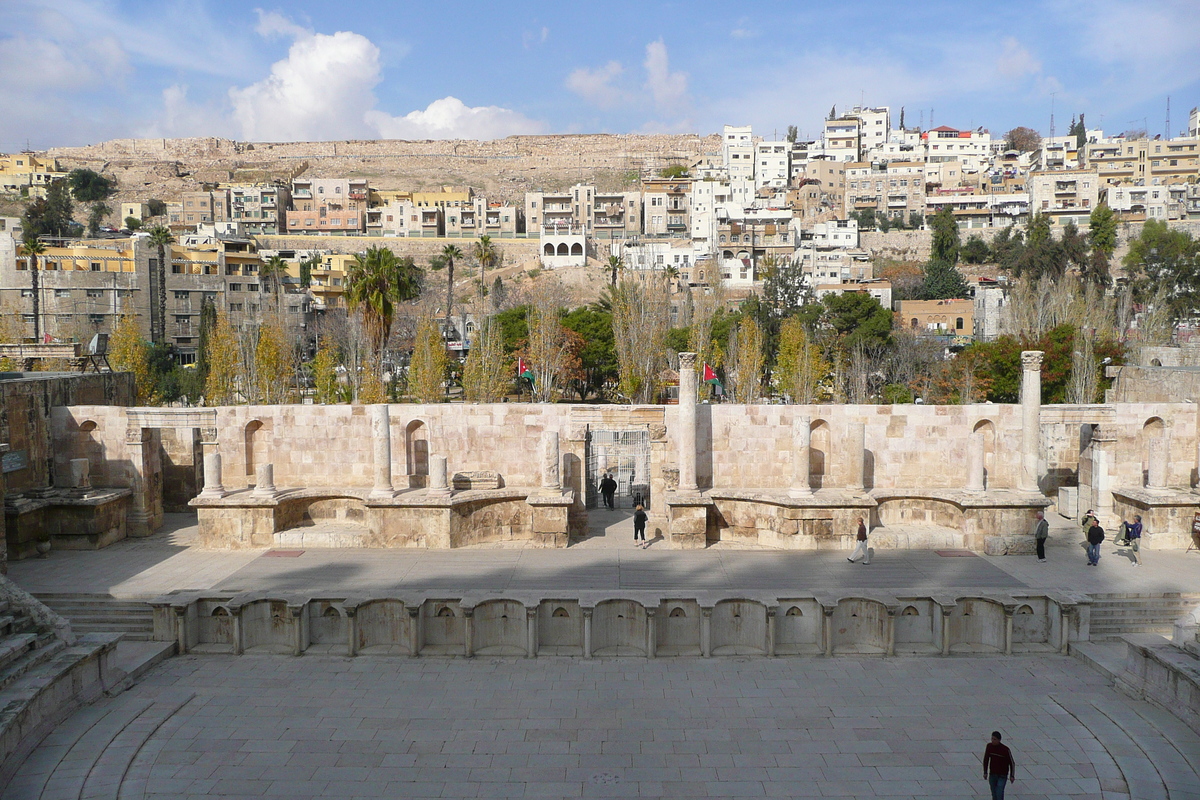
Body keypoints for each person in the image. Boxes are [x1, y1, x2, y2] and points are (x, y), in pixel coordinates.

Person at [982, 731, 1016, 800]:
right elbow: (986, 759)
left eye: (995, 739)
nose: (993, 741)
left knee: (999, 792)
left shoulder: (1005, 750)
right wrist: (985, 772)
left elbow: (1012, 763)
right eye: (992, 739)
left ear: (999, 740)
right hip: (992, 774)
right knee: (994, 793)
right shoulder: (989, 747)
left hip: (1002, 775)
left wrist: (1012, 775)